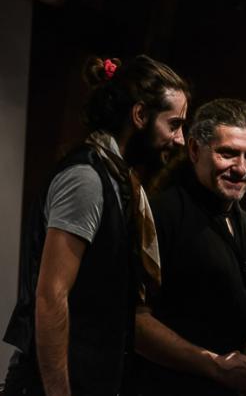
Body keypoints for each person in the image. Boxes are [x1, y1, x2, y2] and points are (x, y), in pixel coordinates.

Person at [3, 55, 190, 396]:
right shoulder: (87, 178)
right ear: (140, 115)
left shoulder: (121, 182)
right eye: (174, 124)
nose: (179, 139)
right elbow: (51, 296)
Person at [135, 98, 246, 396]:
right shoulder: (160, 214)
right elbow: (133, 321)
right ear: (194, 150)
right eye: (228, 153)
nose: (241, 168)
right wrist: (215, 365)